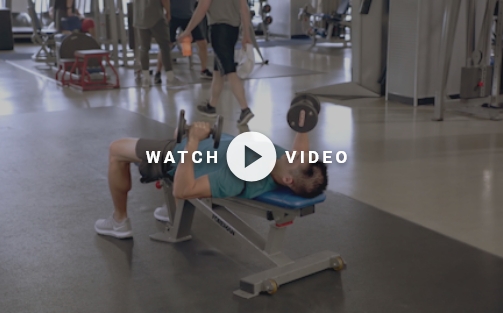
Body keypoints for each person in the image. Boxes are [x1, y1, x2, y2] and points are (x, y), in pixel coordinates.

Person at [94, 124, 328, 239]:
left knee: (116, 149)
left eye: (296, 156)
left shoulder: (239, 177)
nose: (293, 151)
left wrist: (192, 142)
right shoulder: (282, 165)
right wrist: (304, 119)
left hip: (174, 154)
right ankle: (171, 212)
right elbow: (301, 146)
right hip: (210, 144)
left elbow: (184, 189)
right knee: (181, 129)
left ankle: (119, 222)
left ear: (287, 179)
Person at [177, 0, 255, 126]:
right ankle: (211, 106)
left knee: (230, 71)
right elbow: (244, 9)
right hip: (233, 31)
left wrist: (187, 30)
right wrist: (246, 33)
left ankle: (245, 109)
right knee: (218, 70)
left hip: (219, 30)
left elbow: (202, 7)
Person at [154, 0, 213, 84]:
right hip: (173, 16)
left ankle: (204, 70)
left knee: (202, 43)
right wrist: (167, 12)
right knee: (166, 46)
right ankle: (158, 72)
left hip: (190, 16)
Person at [133, 0, 177, 87]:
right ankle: (170, 77)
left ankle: (145, 78)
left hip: (140, 17)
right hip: (156, 16)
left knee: (144, 48)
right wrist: (168, 12)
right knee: (164, 46)